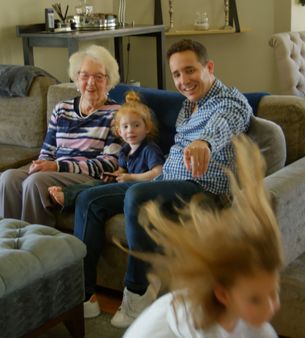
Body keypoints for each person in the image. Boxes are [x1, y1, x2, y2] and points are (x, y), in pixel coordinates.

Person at [74, 39, 253, 327]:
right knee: (88, 199)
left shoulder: (230, 100)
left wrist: (203, 143)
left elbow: (225, 122)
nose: (184, 81)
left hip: (203, 190)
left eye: (190, 71)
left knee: (138, 196)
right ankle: (84, 297)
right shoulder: (186, 107)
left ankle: (138, 294)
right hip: (167, 182)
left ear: (209, 67)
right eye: (177, 74)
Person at [124, 135, 283, 338]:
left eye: (274, 293)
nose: (272, 307)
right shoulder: (197, 324)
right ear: (223, 295)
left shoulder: (251, 319)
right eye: (255, 299)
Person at [0, 45, 122, 227]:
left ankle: (38, 246)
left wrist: (57, 166)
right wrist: (43, 165)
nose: (90, 82)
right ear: (76, 78)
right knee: (8, 178)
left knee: (35, 182)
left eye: (98, 77)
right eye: (84, 75)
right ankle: (10, 240)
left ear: (108, 81)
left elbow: (109, 164)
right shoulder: (62, 109)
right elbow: (47, 151)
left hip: (87, 176)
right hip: (56, 170)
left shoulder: (116, 114)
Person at [48, 91, 165, 208]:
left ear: (147, 128)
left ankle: (68, 197)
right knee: (97, 183)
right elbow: (122, 170)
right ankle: (67, 191)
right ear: (119, 132)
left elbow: (158, 173)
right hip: (127, 186)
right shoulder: (125, 150)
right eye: (125, 126)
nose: (130, 130)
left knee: (97, 190)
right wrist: (114, 175)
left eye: (136, 125)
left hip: (141, 190)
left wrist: (131, 177)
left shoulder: (150, 149)